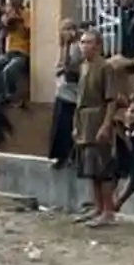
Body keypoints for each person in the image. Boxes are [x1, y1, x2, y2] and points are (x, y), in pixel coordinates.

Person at [72, 29, 118, 229]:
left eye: (89, 42)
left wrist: (106, 124)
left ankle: (108, 210)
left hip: (98, 118)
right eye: (82, 42)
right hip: (84, 121)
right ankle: (97, 207)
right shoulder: (83, 66)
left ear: (98, 45)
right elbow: (79, 100)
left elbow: (111, 99)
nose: (84, 46)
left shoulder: (105, 67)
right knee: (90, 168)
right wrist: (76, 125)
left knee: (103, 168)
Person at [48, 19, 82, 169]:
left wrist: (67, 46)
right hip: (62, 91)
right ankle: (59, 156)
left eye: (68, 29)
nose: (65, 33)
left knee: (68, 126)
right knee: (59, 128)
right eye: (63, 29)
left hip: (73, 94)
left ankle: (71, 156)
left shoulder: (77, 47)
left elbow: (69, 67)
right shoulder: (63, 47)